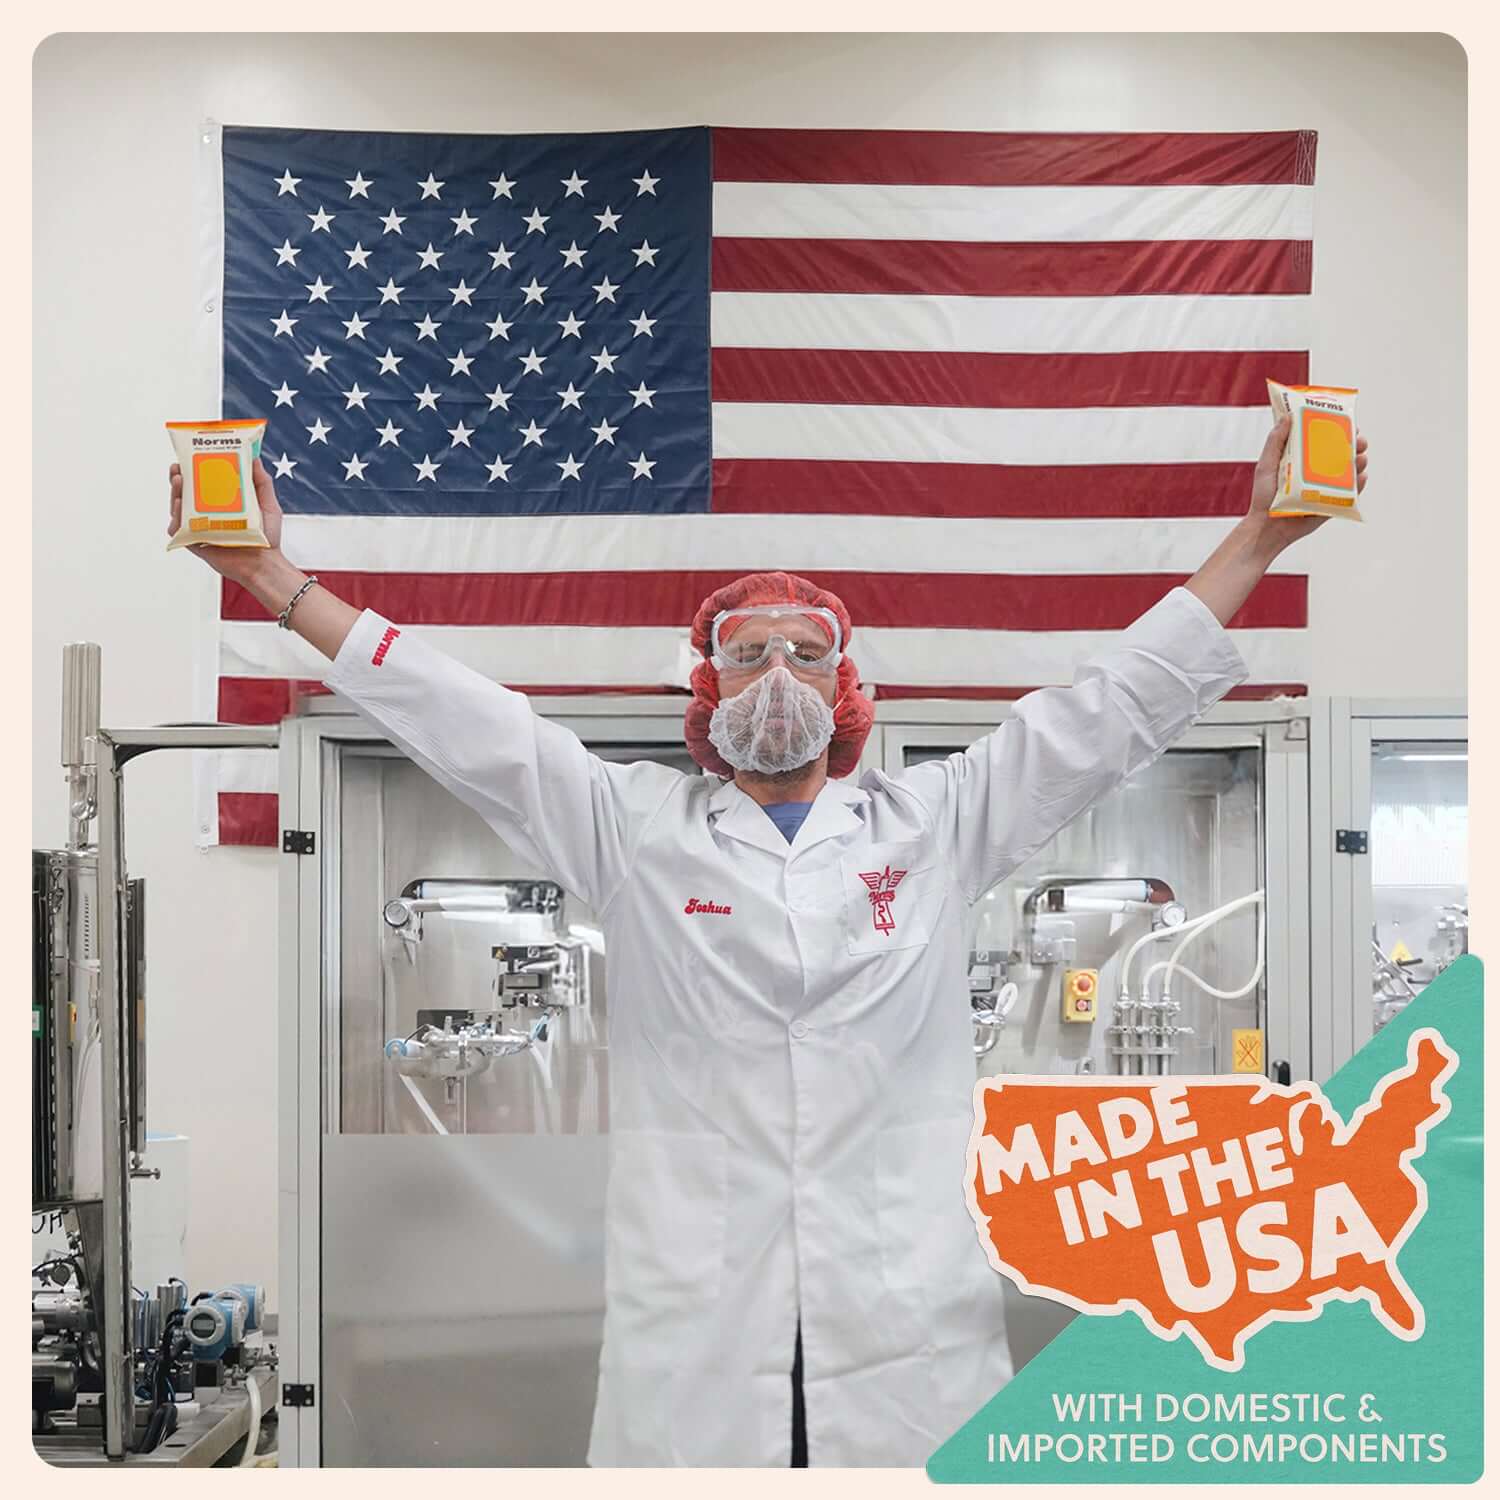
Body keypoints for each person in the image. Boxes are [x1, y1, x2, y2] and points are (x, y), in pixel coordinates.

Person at [169, 414, 1367, 1467]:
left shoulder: (937, 823)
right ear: (707, 685)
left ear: (847, 689)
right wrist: (268, 573)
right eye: (748, 650)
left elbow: (1115, 706)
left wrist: (1260, 538)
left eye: (805, 649)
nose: (777, 668)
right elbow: (463, 718)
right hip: (699, 1329)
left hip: (906, 1330)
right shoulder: (631, 827)